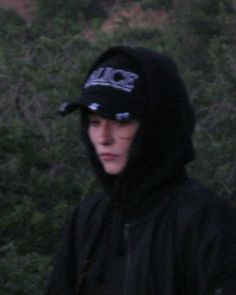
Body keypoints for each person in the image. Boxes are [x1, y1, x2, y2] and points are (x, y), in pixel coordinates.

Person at [45, 46, 236, 295]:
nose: (103, 137)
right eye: (94, 122)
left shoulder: (206, 221)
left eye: (121, 121)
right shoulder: (89, 216)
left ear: (157, 125)